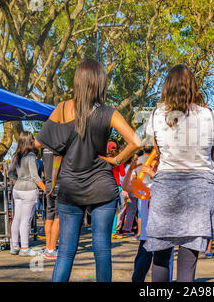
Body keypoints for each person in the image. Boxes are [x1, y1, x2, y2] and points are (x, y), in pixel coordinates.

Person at [34, 59, 140, 282]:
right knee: (102, 251)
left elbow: (41, 143)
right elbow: (136, 142)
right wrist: (116, 160)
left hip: (70, 187)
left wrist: (53, 179)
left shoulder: (62, 109)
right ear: (100, 83)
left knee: (65, 252)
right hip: (102, 186)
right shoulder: (109, 113)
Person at [144, 64, 214, 282]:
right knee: (188, 263)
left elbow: (158, 151)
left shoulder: (156, 114)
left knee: (160, 258)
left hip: (166, 189)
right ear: (193, 86)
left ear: (167, 86)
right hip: (199, 190)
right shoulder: (210, 115)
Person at [8, 131, 46, 256]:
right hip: (28, 190)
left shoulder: (16, 155)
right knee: (26, 220)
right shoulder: (30, 156)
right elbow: (35, 177)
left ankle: (14, 246)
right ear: (30, 141)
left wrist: (18, 182)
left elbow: (10, 174)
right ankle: (24, 248)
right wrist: (46, 189)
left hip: (17, 189)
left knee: (17, 219)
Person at [42, 148, 60, 259]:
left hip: (48, 185)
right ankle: (52, 249)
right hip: (59, 184)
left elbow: (44, 165)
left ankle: (48, 247)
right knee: (58, 217)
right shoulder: (60, 147)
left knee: (49, 216)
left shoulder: (45, 148)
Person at [134, 146, 154, 239]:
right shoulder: (155, 159)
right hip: (152, 185)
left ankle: (140, 232)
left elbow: (134, 176)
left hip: (141, 186)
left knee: (141, 211)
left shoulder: (138, 160)